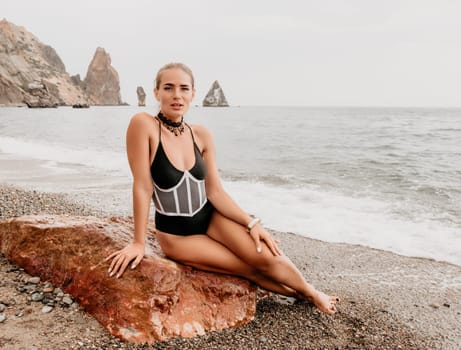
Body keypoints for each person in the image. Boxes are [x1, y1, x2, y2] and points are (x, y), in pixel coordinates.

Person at [107, 63, 339, 314]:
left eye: (184, 88)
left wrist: (252, 224)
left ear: (193, 94)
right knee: (245, 267)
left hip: (210, 217)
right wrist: (138, 243)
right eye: (168, 88)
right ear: (156, 93)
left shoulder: (201, 135)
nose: (177, 95)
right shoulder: (144, 125)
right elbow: (142, 186)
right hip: (178, 236)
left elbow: (215, 192)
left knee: (266, 257)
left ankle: (311, 291)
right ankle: (306, 295)